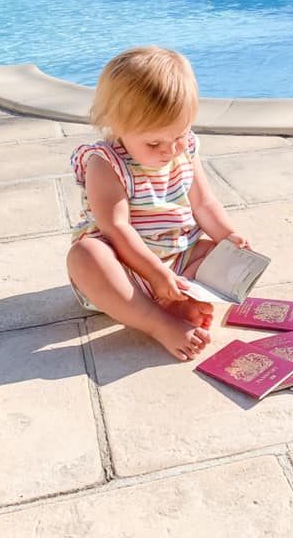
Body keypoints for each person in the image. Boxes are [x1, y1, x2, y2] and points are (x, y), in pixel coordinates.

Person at [66, 46, 251, 361]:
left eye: (179, 135)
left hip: (178, 258)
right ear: (117, 125)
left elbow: (204, 203)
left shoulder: (185, 149)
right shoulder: (106, 163)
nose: (170, 150)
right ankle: (155, 321)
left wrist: (227, 236)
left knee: (216, 253)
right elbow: (116, 227)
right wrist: (152, 274)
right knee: (86, 256)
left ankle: (174, 300)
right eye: (154, 143)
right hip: (126, 267)